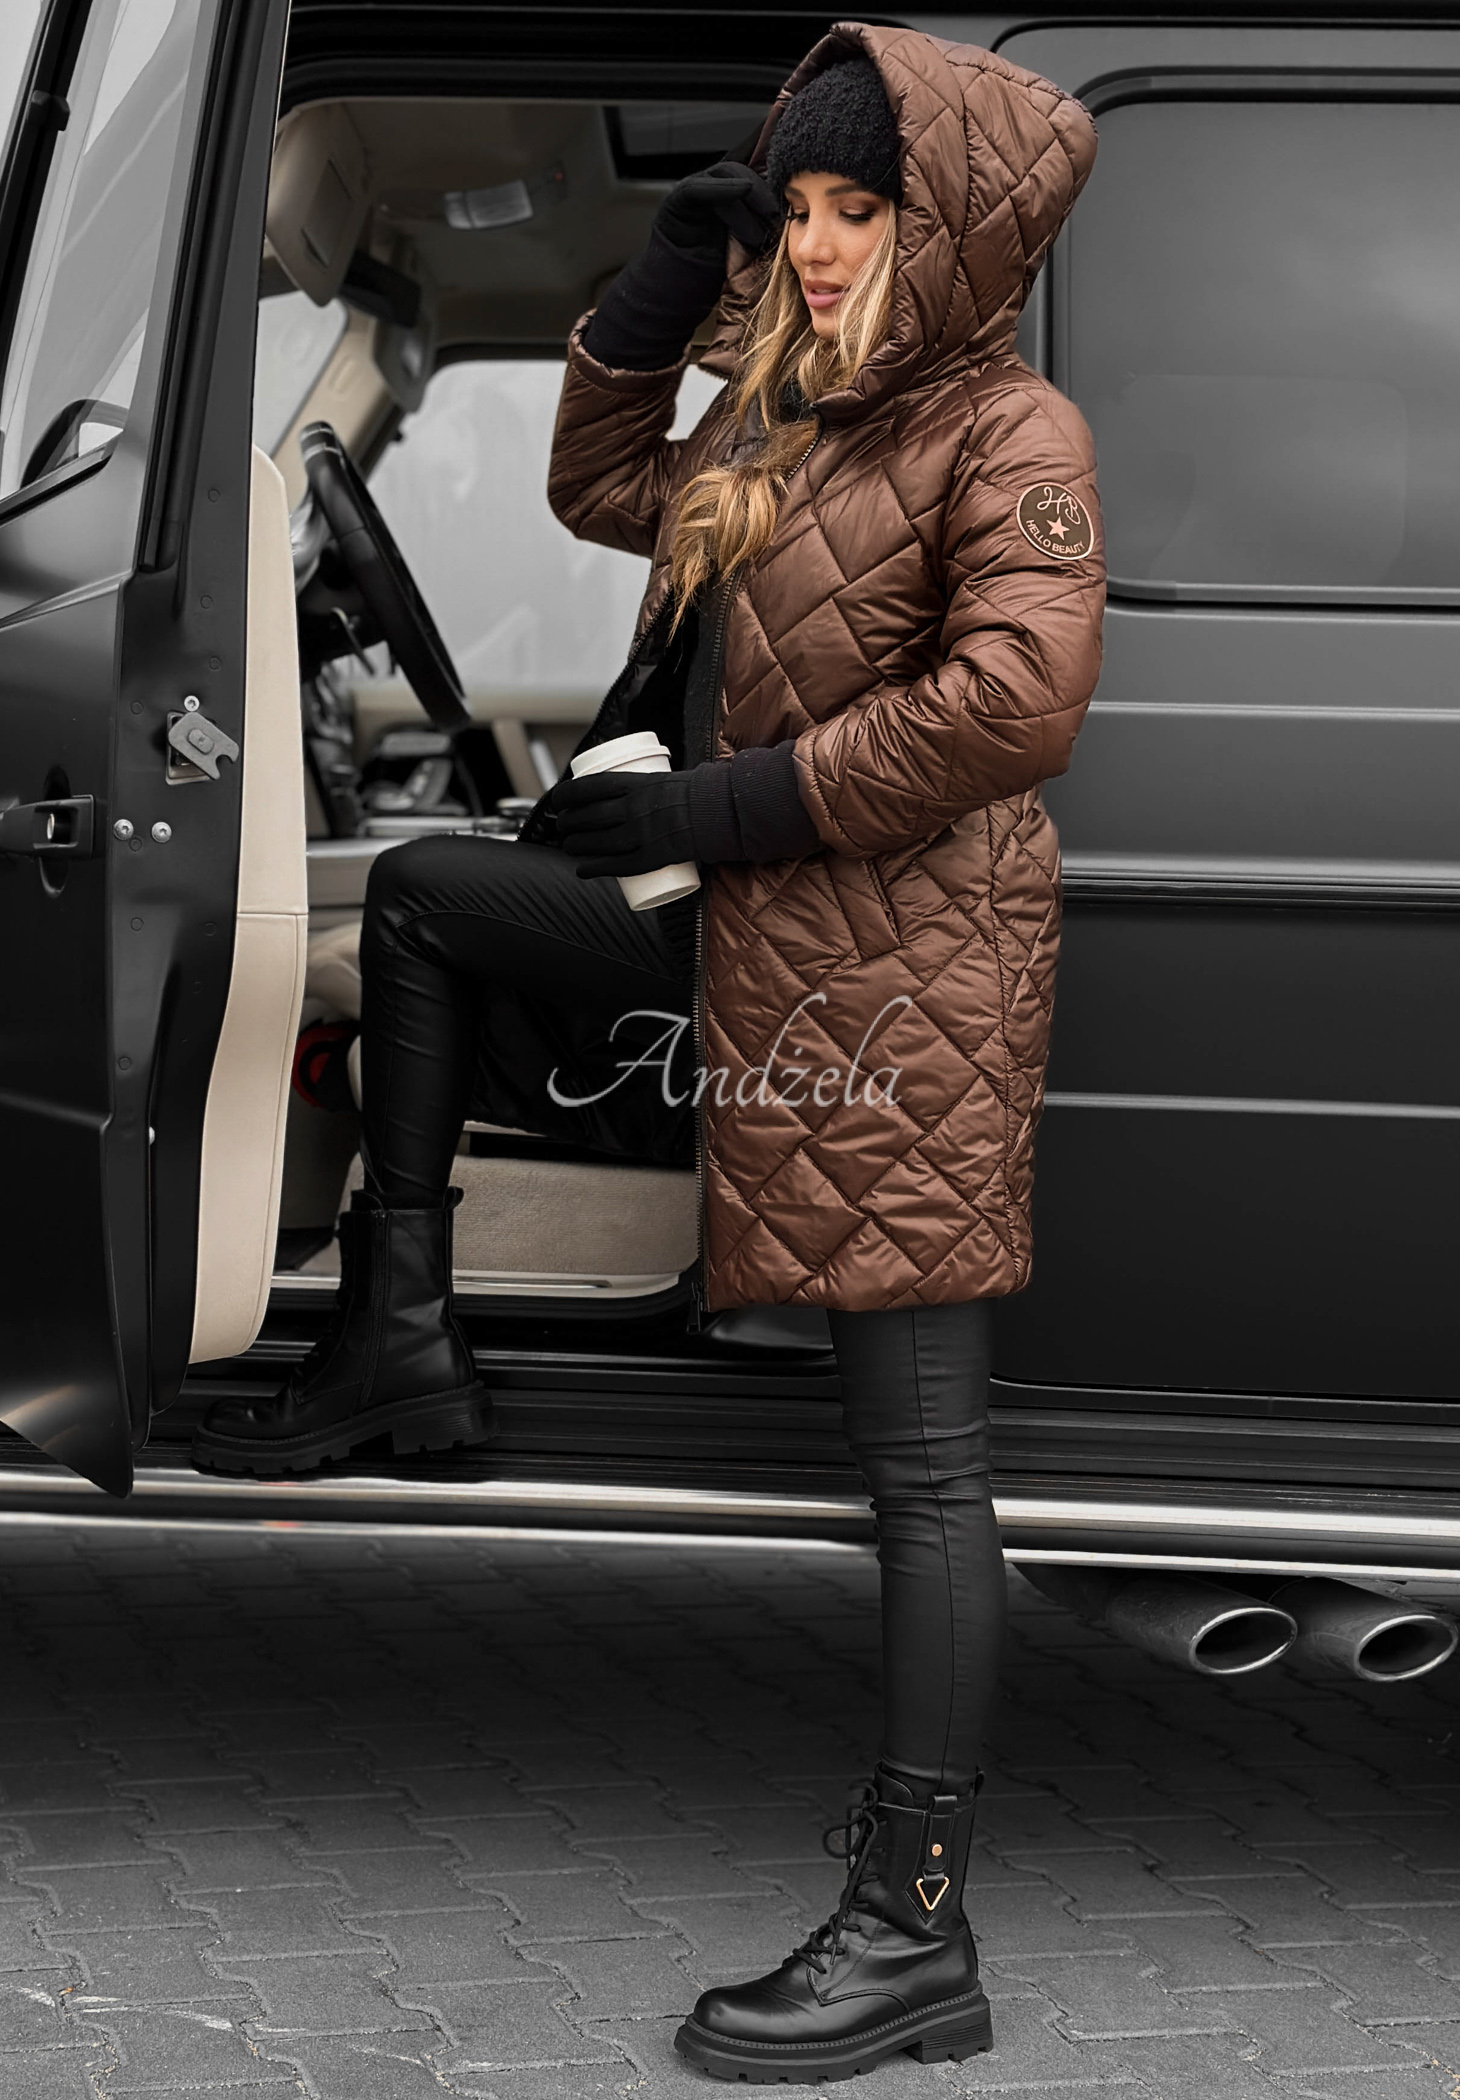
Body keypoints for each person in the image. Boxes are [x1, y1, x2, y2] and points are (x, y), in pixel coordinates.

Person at [195, 21, 1102, 2081]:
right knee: (431, 893)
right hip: (757, 950)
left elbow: (1014, 704)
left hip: (904, 993)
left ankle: (916, 1930)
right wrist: (665, 278)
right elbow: (598, 481)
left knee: (924, 1471)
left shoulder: (1008, 431)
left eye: (860, 210)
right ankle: (399, 1335)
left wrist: (710, 809)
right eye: (803, 211)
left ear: (950, 226)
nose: (822, 247)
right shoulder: (792, 417)